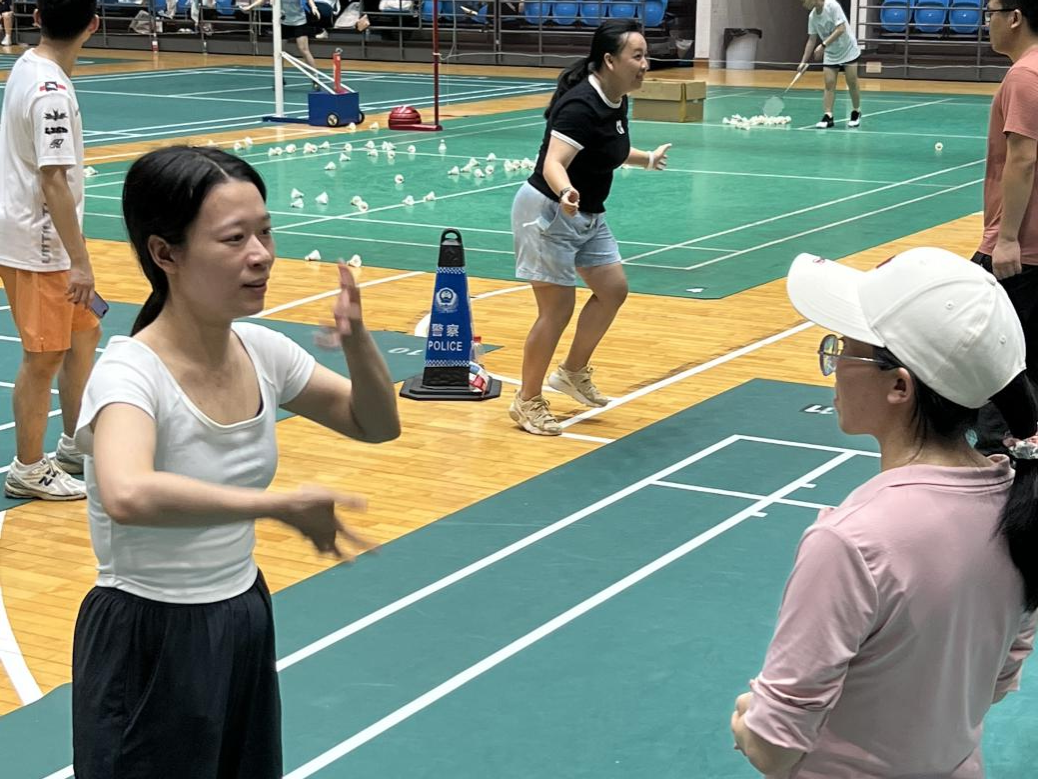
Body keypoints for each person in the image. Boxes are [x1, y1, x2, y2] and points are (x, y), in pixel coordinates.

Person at [70, 145, 400, 778]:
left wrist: (359, 343)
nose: (261, 254)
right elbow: (128, 492)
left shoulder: (261, 350)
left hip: (241, 612)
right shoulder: (129, 373)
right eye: (234, 238)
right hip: (149, 632)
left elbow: (375, 424)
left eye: (265, 232)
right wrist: (277, 506)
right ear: (165, 253)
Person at [730, 248, 1037, 778]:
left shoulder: (851, 541)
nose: (835, 365)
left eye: (846, 347)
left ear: (899, 385)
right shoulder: (1017, 506)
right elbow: (1000, 678)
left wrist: (748, 720)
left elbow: (773, 746)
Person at [508, 19, 672, 436]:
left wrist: (646, 159)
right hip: (549, 212)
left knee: (613, 289)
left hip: (588, 214)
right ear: (610, 60)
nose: (646, 64)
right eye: (638, 56)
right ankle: (527, 401)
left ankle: (572, 372)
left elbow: (608, 148)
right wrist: (566, 192)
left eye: (646, 56)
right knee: (556, 310)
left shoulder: (615, 98)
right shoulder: (581, 106)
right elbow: (554, 161)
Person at [0, 0, 101, 500]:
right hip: (40, 244)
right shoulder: (51, 93)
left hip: (49, 239)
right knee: (44, 357)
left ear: (37, 18)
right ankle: (28, 468)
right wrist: (80, 261)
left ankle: (76, 445)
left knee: (85, 334)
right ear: (94, 25)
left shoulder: (28, 64)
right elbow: (53, 179)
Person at [973, 0, 1038, 456]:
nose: (987, 21)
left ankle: (999, 460)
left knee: (995, 363)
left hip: (1020, 249)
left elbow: (1023, 158)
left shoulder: (1024, 76)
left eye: (991, 11)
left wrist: (1008, 239)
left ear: (1014, 18)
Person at [796, 0, 862, 130]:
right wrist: (803, 61)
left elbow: (841, 29)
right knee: (829, 83)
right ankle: (828, 116)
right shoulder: (812, 16)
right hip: (831, 53)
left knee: (852, 82)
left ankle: (856, 111)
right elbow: (811, 39)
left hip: (848, 49)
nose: (804, 4)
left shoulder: (832, 6)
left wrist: (823, 45)